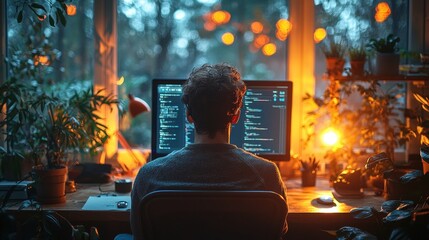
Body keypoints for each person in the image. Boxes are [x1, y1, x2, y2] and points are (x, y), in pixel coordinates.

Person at [129, 63, 288, 239]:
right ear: (236, 116)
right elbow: (276, 234)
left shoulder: (149, 176)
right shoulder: (267, 175)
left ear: (189, 115)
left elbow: (140, 234)